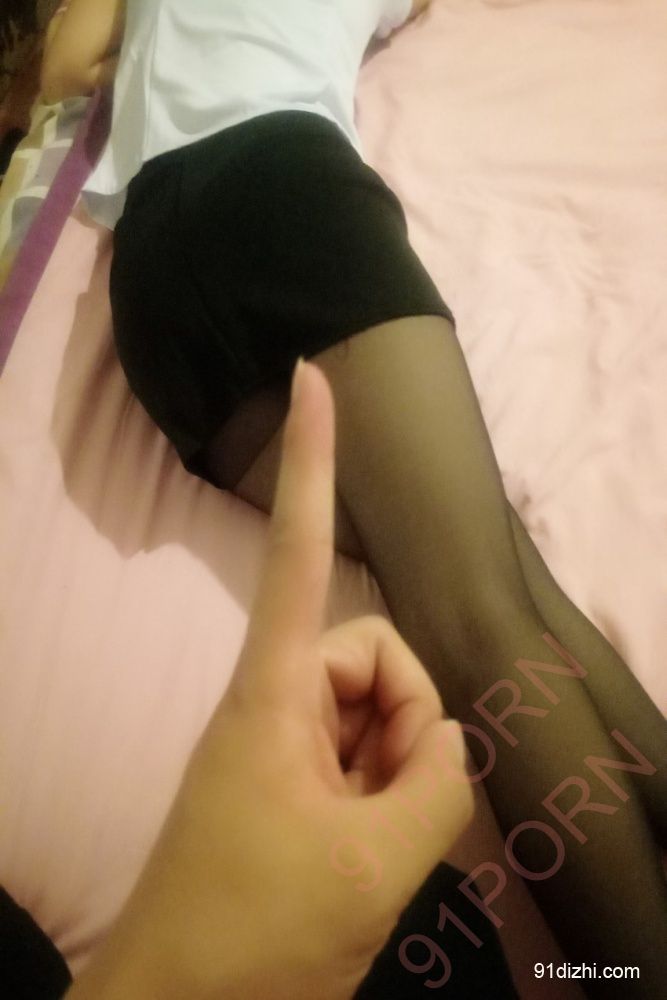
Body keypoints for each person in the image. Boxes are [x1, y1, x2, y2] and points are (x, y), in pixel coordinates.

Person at [41, 1, 667, 994]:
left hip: (156, 295)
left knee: (488, 574)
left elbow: (67, 66)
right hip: (282, 186)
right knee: (480, 613)